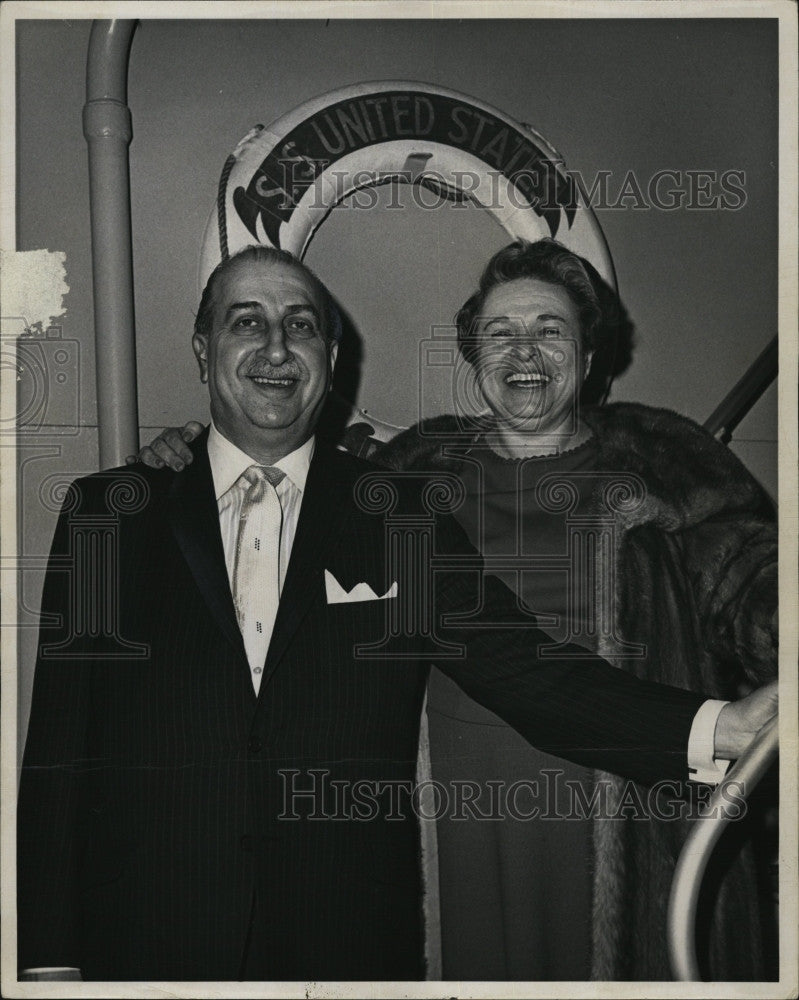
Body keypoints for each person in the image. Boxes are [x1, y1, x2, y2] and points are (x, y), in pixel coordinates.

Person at [19, 245, 777, 983]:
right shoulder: (109, 515)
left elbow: (523, 670)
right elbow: (58, 751)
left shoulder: (396, 511)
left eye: (302, 325)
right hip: (148, 939)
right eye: (246, 321)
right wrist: (47, 955)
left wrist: (722, 726)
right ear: (202, 346)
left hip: (345, 945)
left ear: (333, 353)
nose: (276, 347)